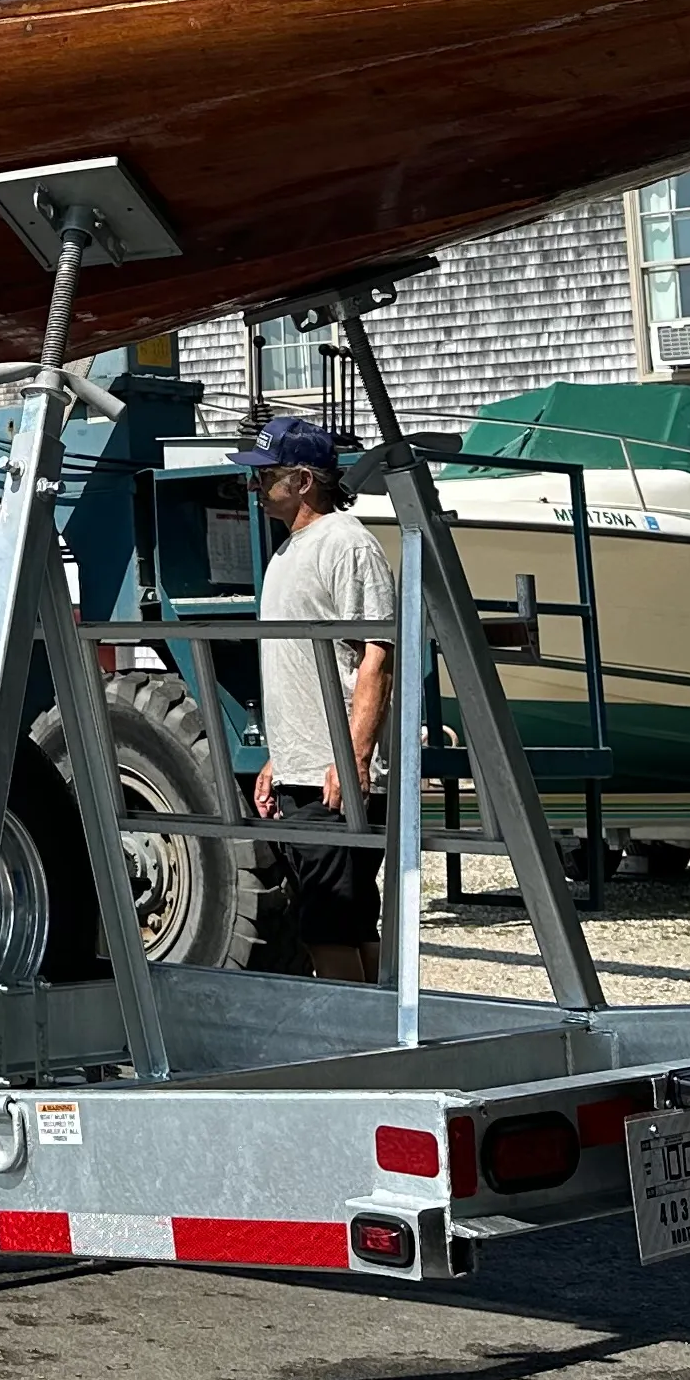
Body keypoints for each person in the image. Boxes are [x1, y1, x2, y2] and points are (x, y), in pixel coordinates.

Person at [243, 416, 396, 983]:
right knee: (346, 918)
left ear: (303, 480)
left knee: (328, 922)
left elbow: (378, 656)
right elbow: (303, 669)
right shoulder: (288, 552)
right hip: (305, 768)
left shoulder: (347, 543)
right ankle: (378, 1038)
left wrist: (353, 757)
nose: (256, 487)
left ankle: (352, 1048)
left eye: (266, 476)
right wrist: (278, 756)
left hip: (335, 776)